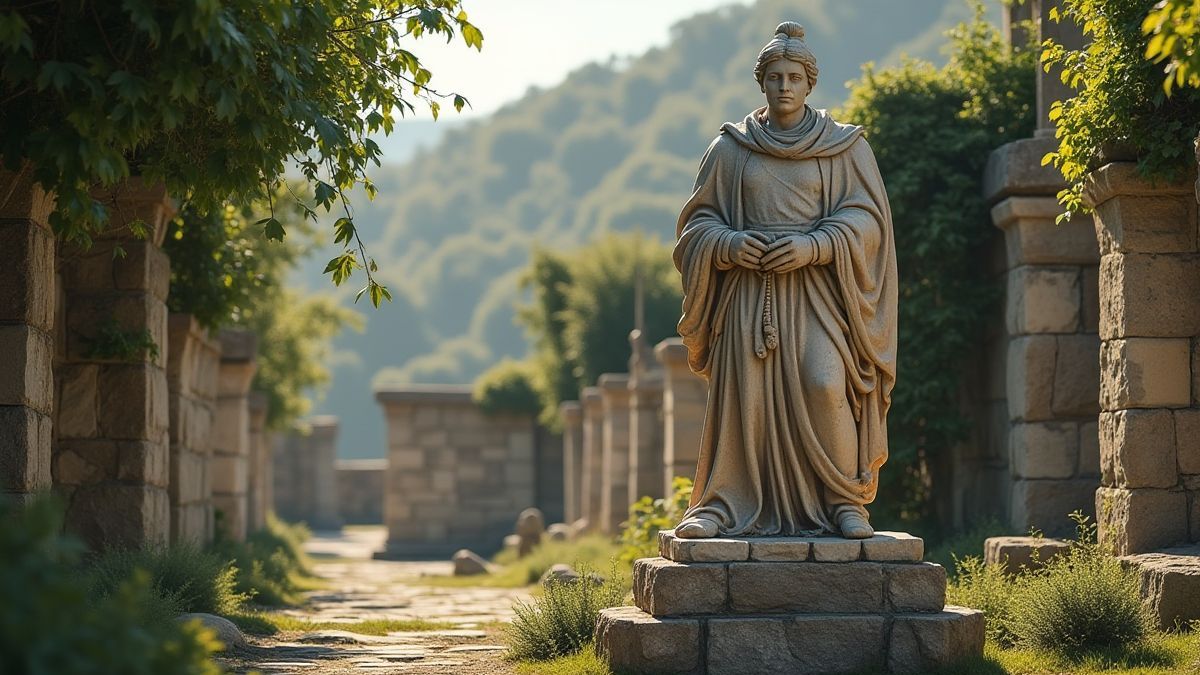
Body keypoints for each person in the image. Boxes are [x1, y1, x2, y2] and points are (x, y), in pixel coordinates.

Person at [672, 21, 897, 540]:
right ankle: (723, 503)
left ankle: (844, 500)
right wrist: (728, 245)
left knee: (825, 381)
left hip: (819, 293)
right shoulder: (731, 149)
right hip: (751, 295)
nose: (784, 86)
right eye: (774, 77)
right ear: (762, 82)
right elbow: (695, 226)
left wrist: (814, 245)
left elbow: (869, 222)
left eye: (794, 76)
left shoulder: (843, 148)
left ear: (810, 82)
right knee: (742, 397)